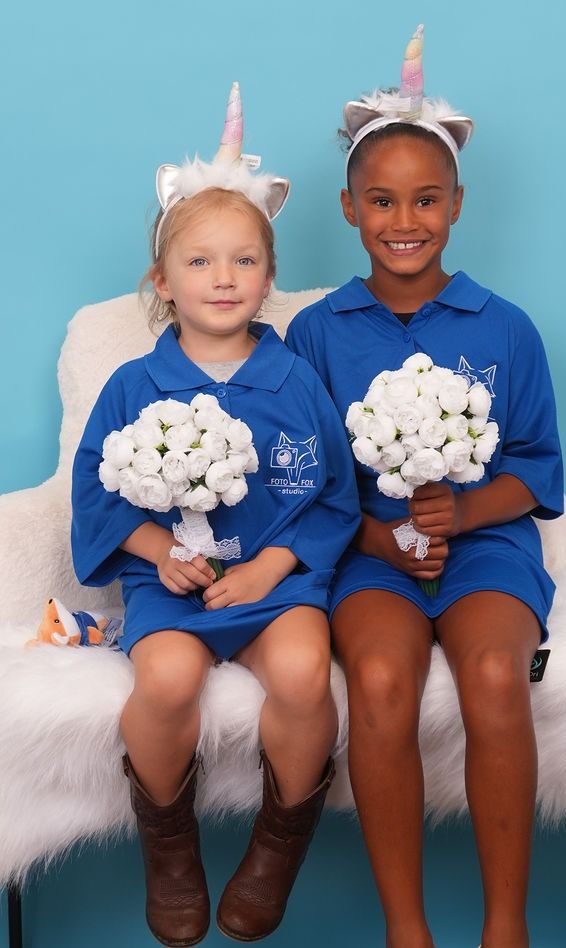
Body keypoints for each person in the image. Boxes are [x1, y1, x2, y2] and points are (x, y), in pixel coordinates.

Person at [286, 26, 563, 948]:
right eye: (381, 201)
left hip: (486, 545)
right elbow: (306, 484)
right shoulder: (318, 336)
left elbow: (535, 468)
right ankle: (407, 931)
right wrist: (379, 537)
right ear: (350, 208)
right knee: (376, 675)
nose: (405, 219)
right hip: (373, 558)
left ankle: (505, 928)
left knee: (493, 673)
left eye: (426, 199)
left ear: (456, 204)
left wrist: (465, 510)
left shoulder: (505, 327)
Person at [71, 83, 360, 947]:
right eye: (199, 262)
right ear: (161, 280)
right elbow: (96, 489)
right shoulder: (134, 386)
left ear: (270, 277)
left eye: (243, 260)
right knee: (165, 681)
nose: (223, 278)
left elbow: (334, 495)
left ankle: (278, 844)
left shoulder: (297, 380)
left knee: (308, 677)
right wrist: (158, 548)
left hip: (272, 581)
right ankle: (169, 846)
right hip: (175, 583)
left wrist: (276, 567)